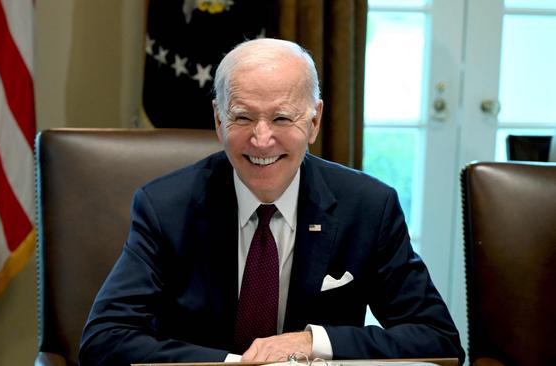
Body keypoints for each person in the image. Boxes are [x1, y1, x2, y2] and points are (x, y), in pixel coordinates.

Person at [79, 38, 464, 365]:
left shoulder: (367, 207)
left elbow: (438, 337)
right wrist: (235, 365)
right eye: (243, 117)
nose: (262, 140)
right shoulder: (165, 207)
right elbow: (104, 338)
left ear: (314, 122)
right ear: (218, 119)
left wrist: (313, 343)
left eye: (282, 118)